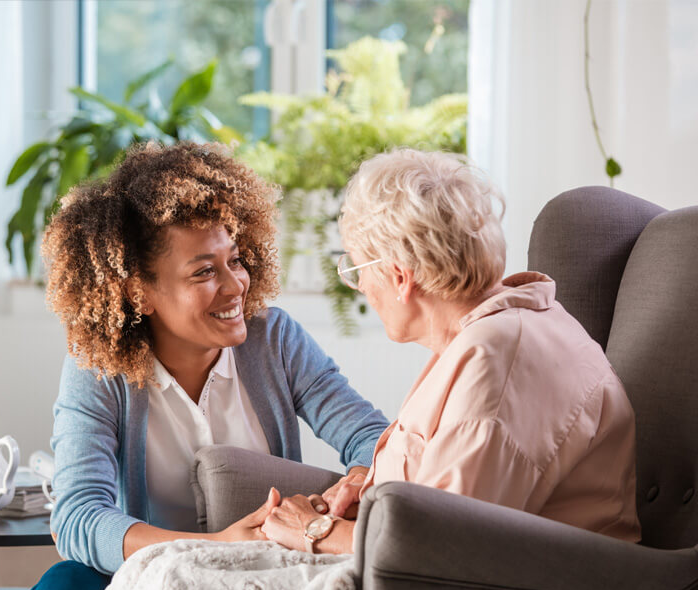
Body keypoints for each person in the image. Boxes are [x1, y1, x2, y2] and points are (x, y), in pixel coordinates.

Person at [16, 142, 389, 590]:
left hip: (261, 570)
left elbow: (373, 439)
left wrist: (356, 482)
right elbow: (78, 518)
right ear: (138, 292)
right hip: (144, 575)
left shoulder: (274, 339)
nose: (235, 286)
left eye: (235, 260)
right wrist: (213, 547)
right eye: (204, 272)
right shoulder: (98, 369)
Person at [261, 148, 641, 555]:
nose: (362, 289)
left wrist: (315, 530)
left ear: (399, 276)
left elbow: (442, 548)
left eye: (356, 270)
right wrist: (373, 492)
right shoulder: (495, 331)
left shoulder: (496, 360)